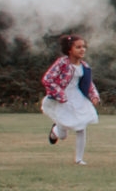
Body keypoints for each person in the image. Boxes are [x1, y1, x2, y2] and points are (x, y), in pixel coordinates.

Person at [39, 33, 101, 165]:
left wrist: (94, 96)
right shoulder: (62, 63)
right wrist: (59, 94)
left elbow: (89, 83)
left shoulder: (84, 66)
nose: (82, 49)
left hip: (78, 98)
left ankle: (79, 159)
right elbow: (47, 79)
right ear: (69, 49)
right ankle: (55, 131)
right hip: (62, 98)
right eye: (78, 47)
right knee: (63, 135)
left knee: (81, 126)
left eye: (83, 47)